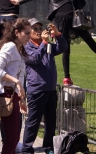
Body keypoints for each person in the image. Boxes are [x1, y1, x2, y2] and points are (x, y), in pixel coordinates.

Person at [21, 18, 67, 154]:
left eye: (40, 28)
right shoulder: (25, 47)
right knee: (33, 122)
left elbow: (63, 47)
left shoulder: (46, 45)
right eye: (35, 29)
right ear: (28, 32)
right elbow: (34, 59)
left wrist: (57, 34)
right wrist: (45, 43)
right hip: (36, 90)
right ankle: (26, 148)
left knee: (50, 122)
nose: (39, 31)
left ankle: (48, 146)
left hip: (51, 89)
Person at [0, 18, 30, 154]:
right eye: (26, 33)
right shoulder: (10, 47)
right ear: (16, 32)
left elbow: (19, 74)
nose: (29, 36)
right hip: (6, 95)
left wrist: (21, 98)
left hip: (13, 95)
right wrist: (16, 82)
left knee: (13, 138)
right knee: (11, 138)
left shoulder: (19, 48)